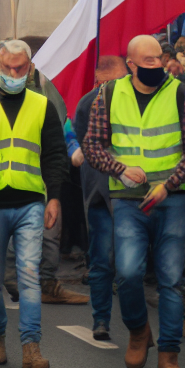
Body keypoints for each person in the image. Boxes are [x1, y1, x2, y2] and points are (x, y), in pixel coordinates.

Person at [81, 33, 185, 368]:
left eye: (159, 59)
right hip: (128, 200)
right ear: (131, 64)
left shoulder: (183, 92)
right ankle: (138, 330)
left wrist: (169, 185)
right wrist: (120, 169)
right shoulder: (109, 93)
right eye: (148, 61)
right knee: (129, 274)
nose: (157, 66)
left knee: (170, 280)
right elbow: (93, 146)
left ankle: (169, 355)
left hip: (173, 199)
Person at [0, 39, 67, 368]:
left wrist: (54, 196)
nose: (13, 73)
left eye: (20, 67)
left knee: (28, 274)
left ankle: (31, 345)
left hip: (29, 202)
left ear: (30, 68)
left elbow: (54, 154)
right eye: (8, 66)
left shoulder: (41, 105)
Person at [77, 53, 129, 340]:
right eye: (106, 83)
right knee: (102, 259)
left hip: (133, 192)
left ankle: (129, 323)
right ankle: (101, 319)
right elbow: (89, 147)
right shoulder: (88, 103)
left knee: (128, 263)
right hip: (102, 191)